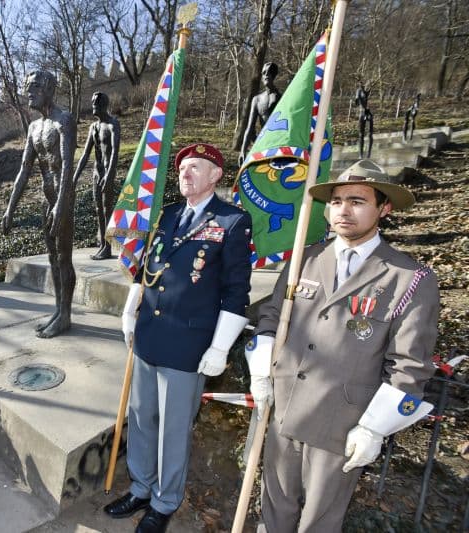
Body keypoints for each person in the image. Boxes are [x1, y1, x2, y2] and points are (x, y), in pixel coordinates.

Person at [246, 159, 439, 532]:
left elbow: (409, 366)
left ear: (384, 208)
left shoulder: (408, 278)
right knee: (274, 514)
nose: (343, 211)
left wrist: (374, 428)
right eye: (336, 201)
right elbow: (271, 318)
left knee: (319, 523)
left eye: (357, 201)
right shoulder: (306, 259)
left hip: (343, 423)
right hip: (284, 408)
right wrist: (261, 371)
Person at [105, 143, 252, 533]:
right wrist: (129, 309)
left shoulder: (233, 221)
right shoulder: (169, 214)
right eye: (182, 167)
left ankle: (164, 501)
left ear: (216, 175)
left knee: (173, 428)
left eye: (195, 167)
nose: (184, 173)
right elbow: (149, 266)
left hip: (189, 344)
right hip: (150, 334)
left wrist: (220, 347)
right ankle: (140, 486)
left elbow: (236, 291)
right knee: (140, 418)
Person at [1, 70, 76, 338]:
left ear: (48, 89)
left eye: (33, 88)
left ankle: (65, 315)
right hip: (47, 197)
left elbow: (67, 165)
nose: (27, 93)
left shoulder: (64, 120)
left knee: (64, 257)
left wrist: (61, 204)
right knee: (52, 257)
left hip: (63, 197)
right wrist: (11, 207)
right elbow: (24, 169)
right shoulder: (34, 127)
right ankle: (58, 310)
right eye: (26, 88)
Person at [73, 91, 120, 260]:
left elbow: (115, 152)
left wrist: (109, 175)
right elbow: (85, 154)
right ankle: (102, 245)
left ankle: (107, 247)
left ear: (103, 105)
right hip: (96, 173)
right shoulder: (94, 127)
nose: (93, 106)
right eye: (92, 102)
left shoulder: (113, 125)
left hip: (108, 172)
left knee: (107, 210)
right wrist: (75, 177)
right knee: (99, 210)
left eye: (96, 103)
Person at [239, 62, 283, 166]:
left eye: (269, 72)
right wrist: (242, 150)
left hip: (279, 144)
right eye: (264, 73)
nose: (266, 75)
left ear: (274, 75)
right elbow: (250, 127)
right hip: (263, 144)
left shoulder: (282, 98)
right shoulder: (257, 99)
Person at [355, 83, 374, 158]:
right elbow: (356, 102)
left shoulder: (371, 89)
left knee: (370, 134)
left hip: (369, 113)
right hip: (362, 113)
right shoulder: (359, 90)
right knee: (361, 135)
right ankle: (361, 154)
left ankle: (369, 153)